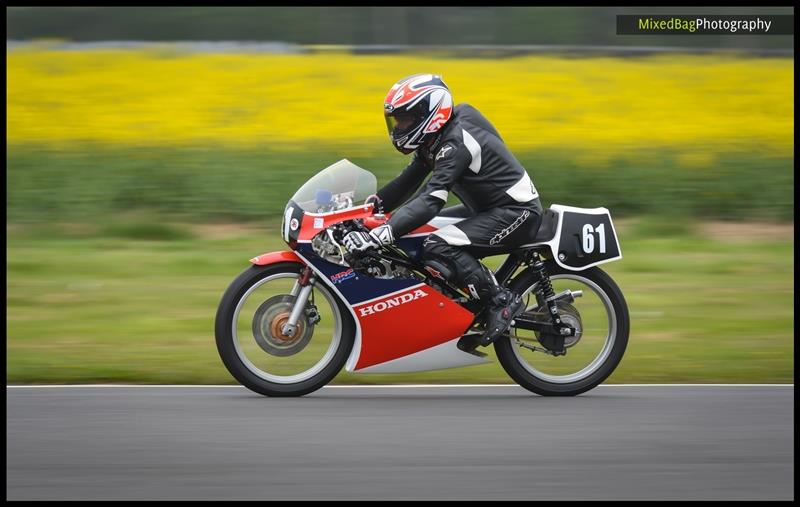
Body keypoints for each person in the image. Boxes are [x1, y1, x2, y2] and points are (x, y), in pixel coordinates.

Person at [343, 73, 543, 346]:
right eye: (397, 120)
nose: (399, 127)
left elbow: (431, 199)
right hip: (485, 209)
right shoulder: (436, 138)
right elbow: (408, 181)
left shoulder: (455, 142)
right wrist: (371, 208)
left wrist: (382, 233)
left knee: (438, 245)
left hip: (516, 213)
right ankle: (461, 301)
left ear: (431, 113)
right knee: (418, 235)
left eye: (406, 119)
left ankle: (501, 301)